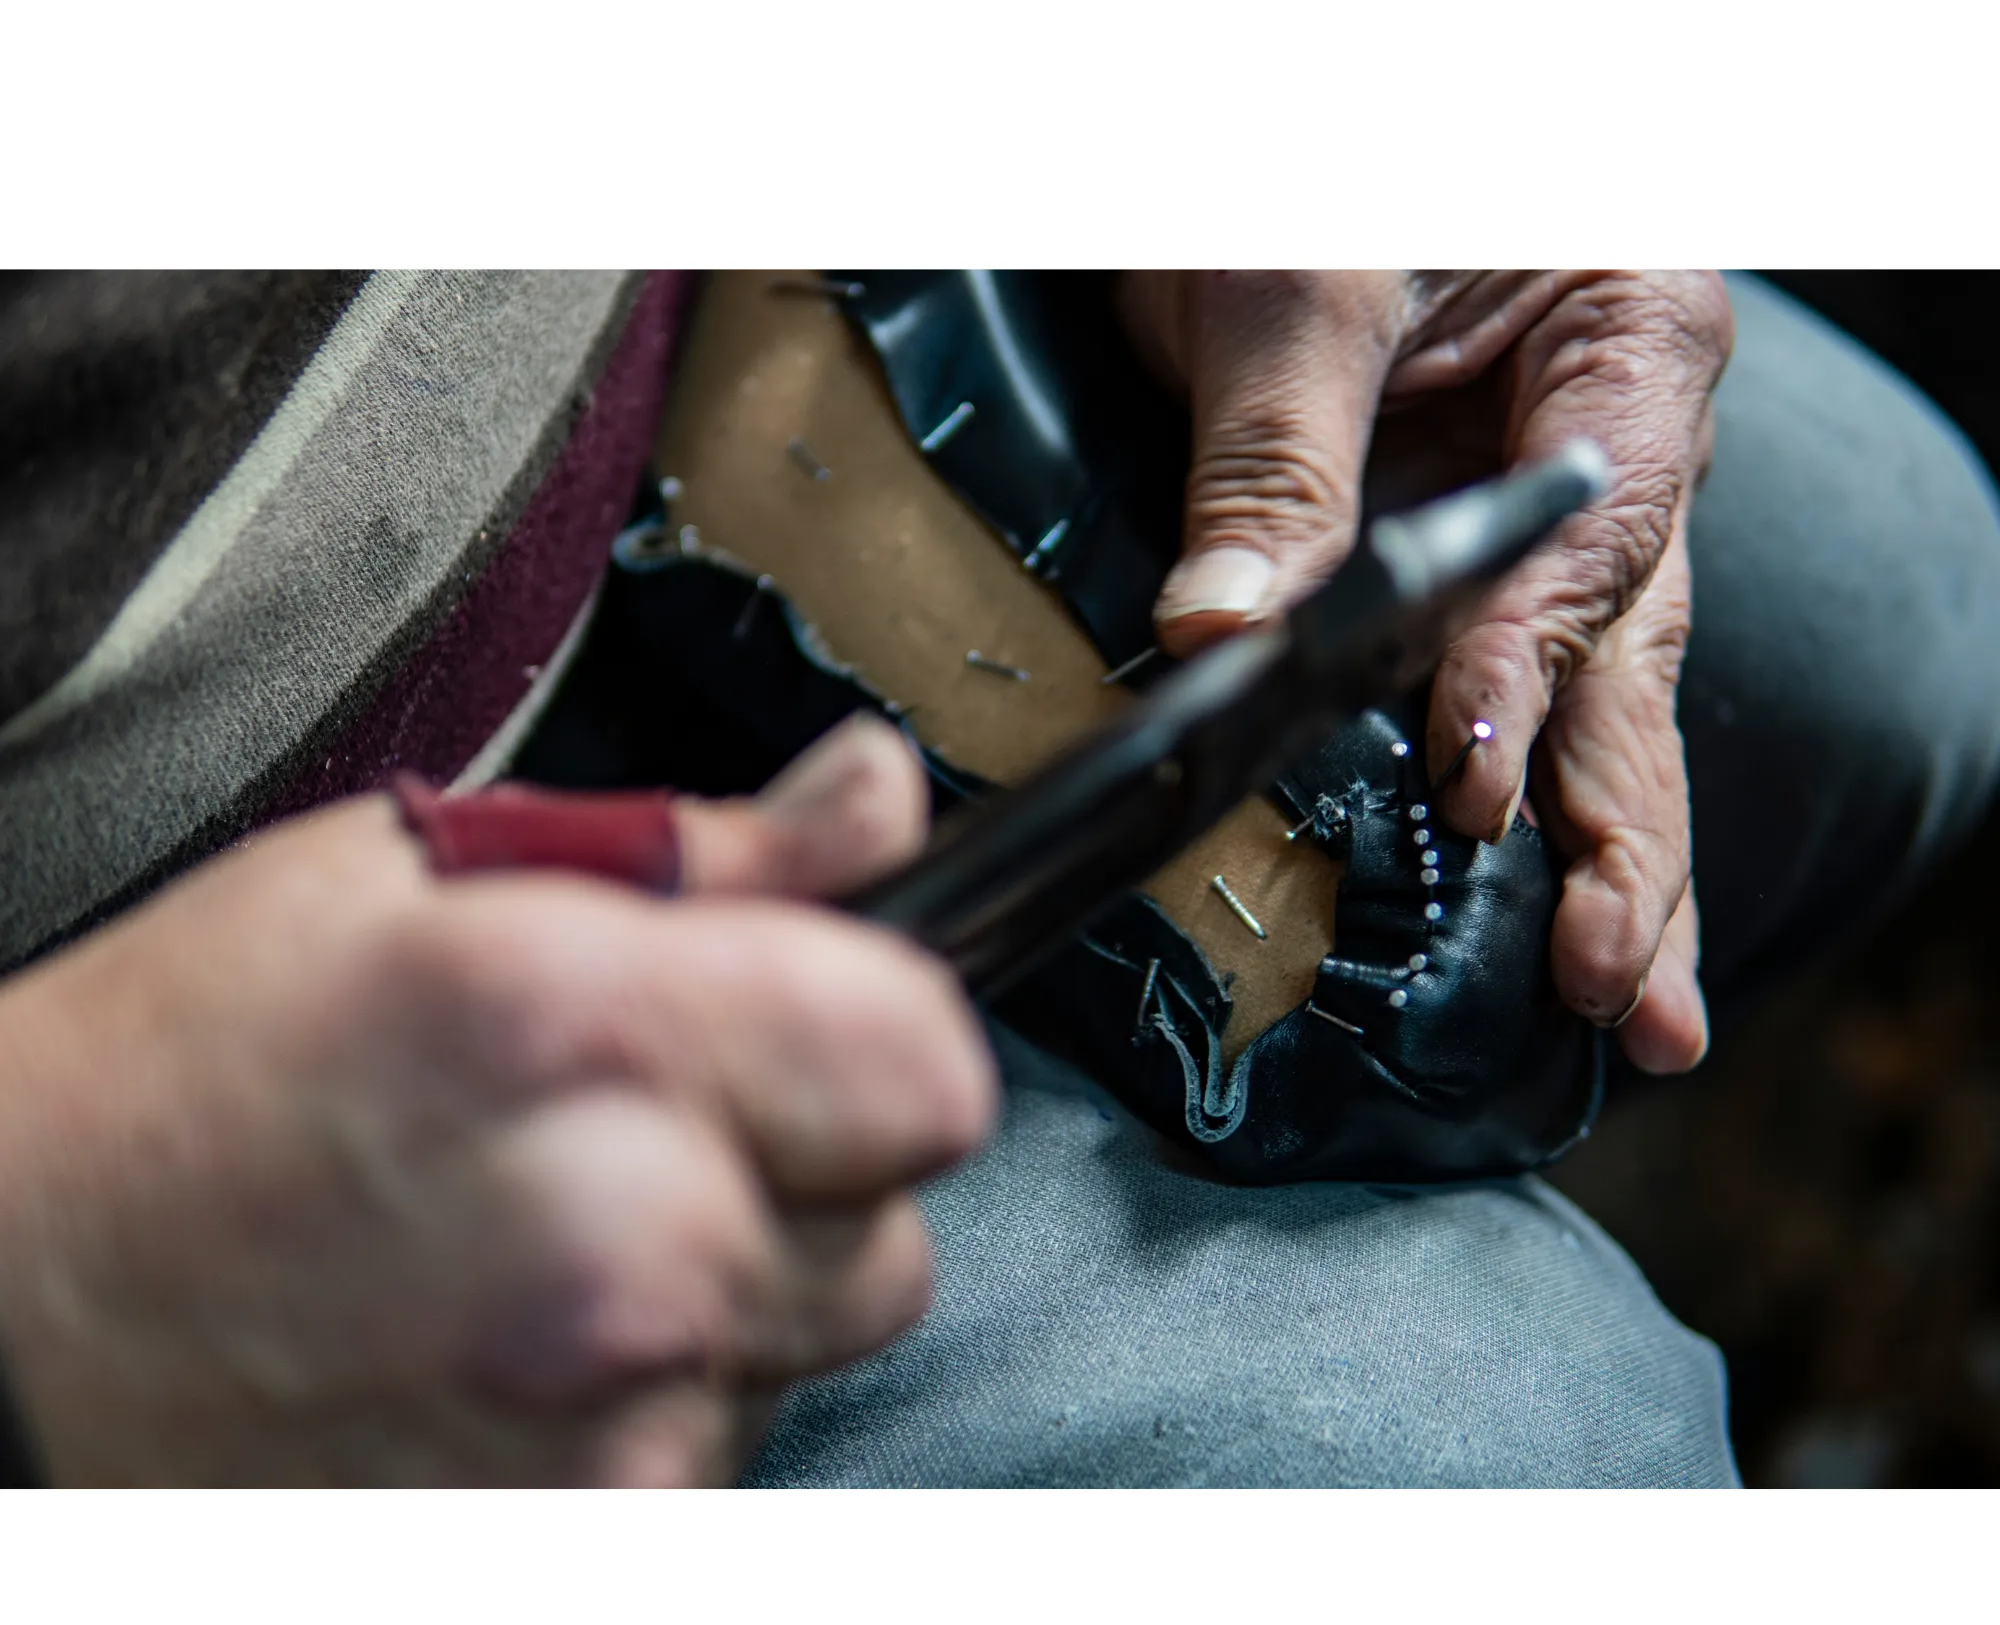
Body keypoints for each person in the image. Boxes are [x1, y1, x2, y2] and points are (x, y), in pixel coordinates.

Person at [2, 270, 1996, 1486]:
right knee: (1520, 1465)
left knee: (1897, 597)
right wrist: (63, 1246)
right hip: (164, 1014)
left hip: (663, 318)